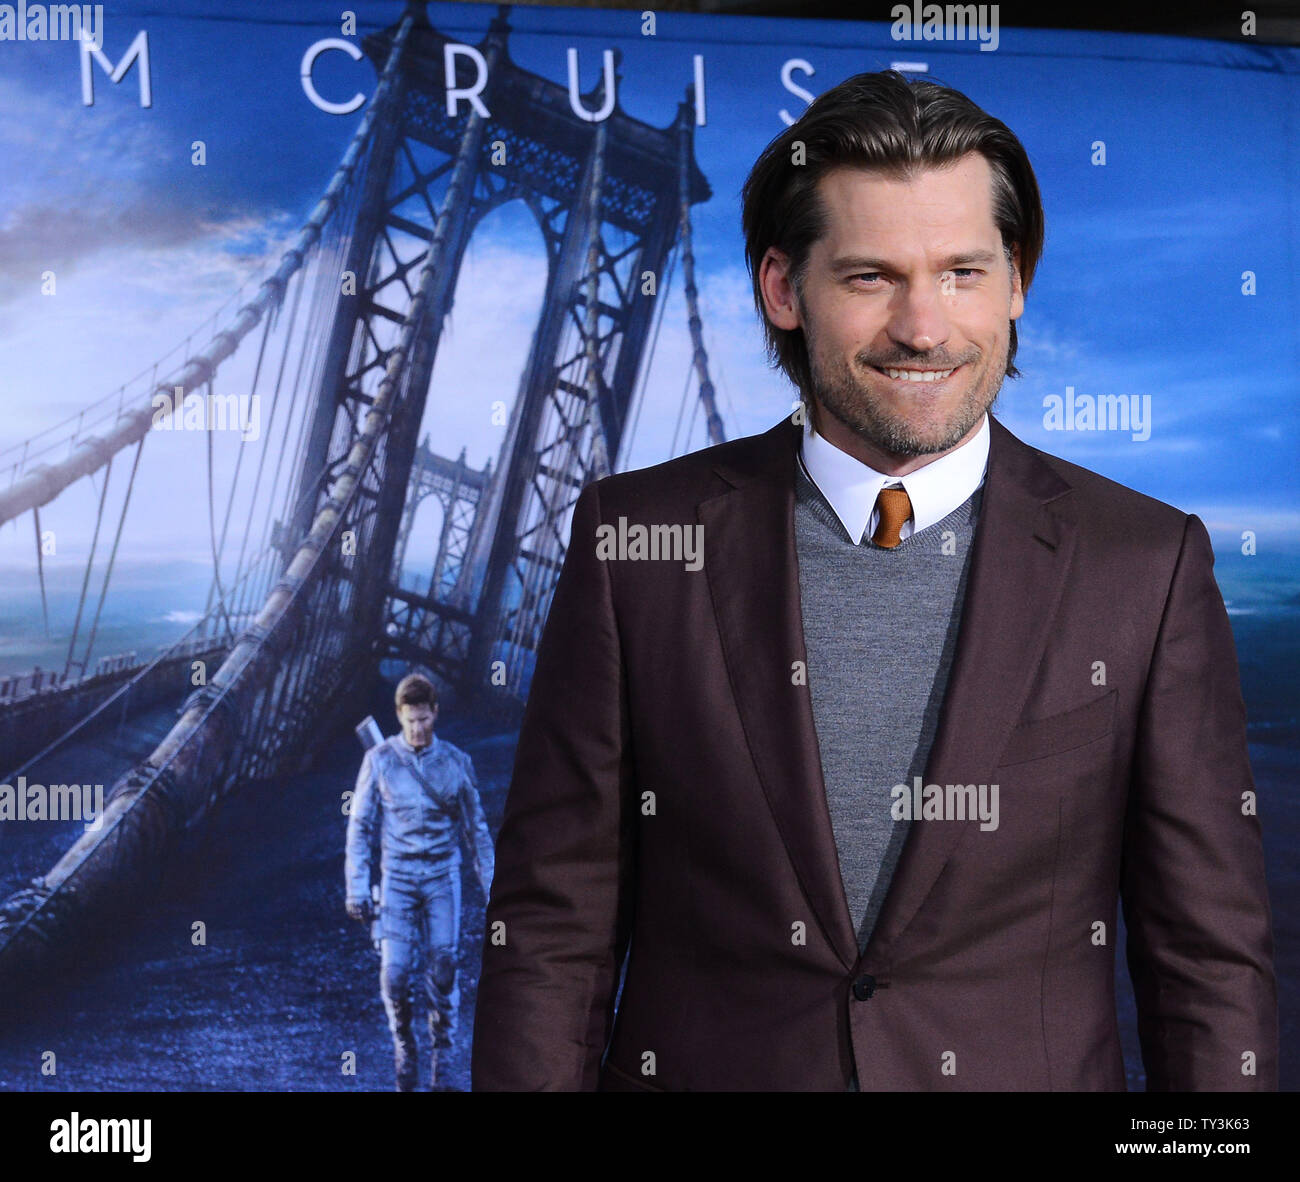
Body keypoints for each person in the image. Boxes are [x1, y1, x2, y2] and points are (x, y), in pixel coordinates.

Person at [471, 71, 1277, 1091]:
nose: (924, 327)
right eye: (869, 278)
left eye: (962, 273)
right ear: (781, 289)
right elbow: (551, 928)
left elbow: (1205, 960)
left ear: (1017, 279)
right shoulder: (635, 541)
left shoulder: (1145, 564)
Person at [346, 673, 493, 1091]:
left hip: (442, 878)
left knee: (444, 966)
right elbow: (359, 826)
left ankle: (441, 1063)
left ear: (435, 714)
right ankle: (404, 1045)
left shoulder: (456, 763)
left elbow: (476, 832)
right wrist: (357, 888)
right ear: (399, 716)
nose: (417, 729)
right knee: (394, 976)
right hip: (398, 880)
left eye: (424, 720)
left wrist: (494, 889)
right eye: (410, 721)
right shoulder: (379, 760)